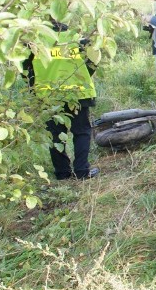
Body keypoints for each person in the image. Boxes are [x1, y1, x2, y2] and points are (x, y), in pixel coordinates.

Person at [22, 18, 100, 181]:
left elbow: (25, 70)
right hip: (78, 94)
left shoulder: (34, 42)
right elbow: (93, 62)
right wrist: (83, 78)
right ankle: (82, 171)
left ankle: (62, 173)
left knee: (55, 134)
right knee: (82, 132)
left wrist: (34, 90)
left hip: (48, 97)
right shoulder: (77, 39)